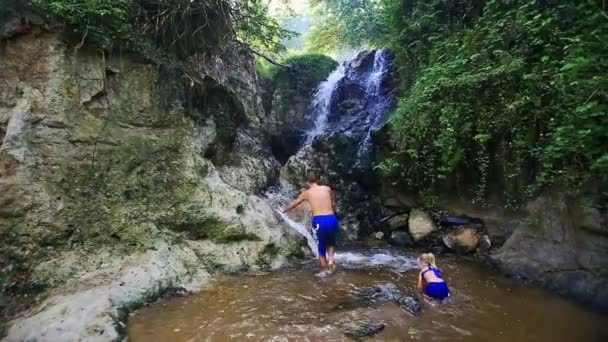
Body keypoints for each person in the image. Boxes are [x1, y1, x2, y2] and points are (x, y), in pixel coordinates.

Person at [282, 173, 338, 272]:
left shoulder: (307, 193)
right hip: (331, 219)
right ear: (317, 180)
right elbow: (333, 205)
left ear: (307, 182)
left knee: (321, 249)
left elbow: (295, 203)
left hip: (319, 221)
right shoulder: (327, 189)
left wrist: (283, 210)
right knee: (331, 242)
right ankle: (331, 261)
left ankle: (325, 273)